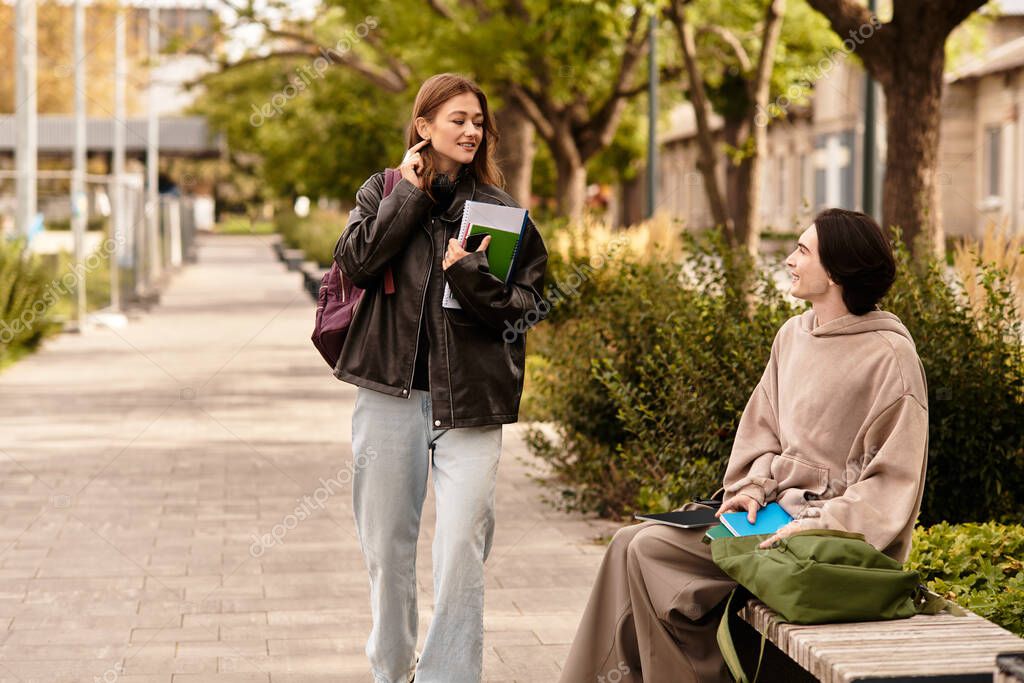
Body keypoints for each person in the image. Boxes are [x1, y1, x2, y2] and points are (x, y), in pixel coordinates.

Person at [558, 208, 929, 682]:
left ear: (836, 270)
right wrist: (753, 487)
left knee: (649, 550)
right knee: (626, 543)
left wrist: (820, 523)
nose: (790, 261)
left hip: (827, 546)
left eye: (802, 251)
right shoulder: (792, 336)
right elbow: (762, 429)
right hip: (769, 520)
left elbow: (891, 483)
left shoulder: (891, 357)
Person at [333, 73, 548, 683]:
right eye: (458, 120)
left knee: (461, 551)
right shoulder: (381, 191)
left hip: (471, 403)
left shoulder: (501, 212)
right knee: (387, 551)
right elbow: (356, 263)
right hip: (389, 396)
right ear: (423, 127)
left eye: (478, 122)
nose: (472, 131)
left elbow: (528, 308)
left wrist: (472, 275)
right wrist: (408, 193)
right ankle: (392, 670)